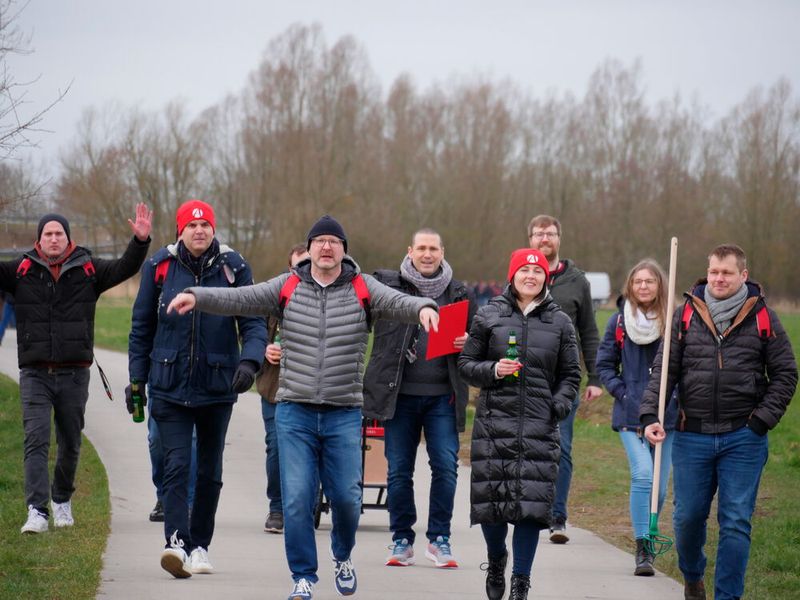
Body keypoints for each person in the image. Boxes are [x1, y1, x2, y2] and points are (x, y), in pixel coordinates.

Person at [165, 215, 440, 600]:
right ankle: (303, 577)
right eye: (319, 241)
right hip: (294, 411)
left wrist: (425, 307)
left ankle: (342, 556)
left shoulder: (363, 288)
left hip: (343, 412)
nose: (326, 247)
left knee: (347, 498)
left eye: (334, 241)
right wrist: (198, 296)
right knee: (296, 500)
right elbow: (241, 298)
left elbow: (399, 302)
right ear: (309, 249)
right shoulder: (288, 284)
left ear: (344, 250)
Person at [641, 244, 797, 600]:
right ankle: (693, 574)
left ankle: (728, 596)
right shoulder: (685, 316)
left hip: (743, 437)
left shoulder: (764, 318)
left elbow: (786, 374)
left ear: (743, 275)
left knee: (736, 523)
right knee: (687, 519)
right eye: (714, 272)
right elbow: (664, 373)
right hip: (691, 436)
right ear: (706, 273)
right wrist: (651, 414)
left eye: (726, 272)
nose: (719, 279)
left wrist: (761, 422)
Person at [127, 199, 267, 578]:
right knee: (176, 466)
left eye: (206, 225)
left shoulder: (233, 267)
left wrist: (249, 363)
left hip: (217, 385)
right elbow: (141, 327)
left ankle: (200, 545)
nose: (200, 231)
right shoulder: (159, 266)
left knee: (209, 472)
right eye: (192, 225)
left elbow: (253, 324)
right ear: (180, 230)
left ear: (214, 229)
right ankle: (176, 543)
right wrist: (136, 379)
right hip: (169, 384)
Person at [0, 205, 152, 534]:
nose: (53, 239)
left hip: (74, 373)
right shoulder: (21, 270)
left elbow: (125, 267)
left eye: (59, 233)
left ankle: (61, 500)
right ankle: (37, 511)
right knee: (36, 440)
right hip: (35, 373)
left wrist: (140, 241)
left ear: (68, 238)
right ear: (38, 239)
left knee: (70, 442)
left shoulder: (88, 269)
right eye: (47, 234)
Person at [458, 248, 581, 600]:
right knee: (492, 508)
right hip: (495, 424)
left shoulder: (560, 322)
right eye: (524, 270)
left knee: (530, 508)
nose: (531, 276)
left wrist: (558, 405)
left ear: (546, 278)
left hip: (540, 427)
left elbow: (571, 374)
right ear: (512, 276)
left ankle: (521, 582)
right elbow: (467, 363)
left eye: (537, 271)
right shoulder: (488, 315)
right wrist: (493, 370)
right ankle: (497, 559)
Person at [363, 228, 476, 568]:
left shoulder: (458, 293)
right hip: (399, 397)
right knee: (398, 471)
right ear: (409, 251)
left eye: (434, 249)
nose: (427, 254)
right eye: (421, 248)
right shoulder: (387, 289)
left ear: (443, 253)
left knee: (446, 467)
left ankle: (439, 539)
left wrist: (469, 342)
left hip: (443, 396)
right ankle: (401, 539)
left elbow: (479, 343)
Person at [595, 259, 677, 576]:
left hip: (666, 416)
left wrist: (674, 398)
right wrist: (625, 393)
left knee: (660, 488)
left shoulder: (675, 323)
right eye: (638, 281)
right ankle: (643, 548)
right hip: (630, 415)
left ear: (660, 286)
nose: (643, 286)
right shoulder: (619, 323)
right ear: (630, 286)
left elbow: (685, 368)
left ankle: (649, 529)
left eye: (650, 281)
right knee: (643, 475)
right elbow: (604, 365)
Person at [527, 214, 602, 543]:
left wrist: (596, 377)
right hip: (525, 378)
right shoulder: (522, 275)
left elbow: (589, 332)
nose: (545, 239)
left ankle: (557, 516)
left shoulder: (577, 281)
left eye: (551, 234)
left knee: (562, 448)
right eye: (539, 233)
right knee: (526, 447)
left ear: (560, 239)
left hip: (564, 380)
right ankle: (530, 509)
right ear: (530, 239)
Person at [256, 243, 310, 534]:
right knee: (276, 448)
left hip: (311, 388)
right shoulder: (273, 297)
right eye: (297, 266)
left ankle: (307, 506)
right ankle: (277, 508)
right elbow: (252, 334)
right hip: (274, 387)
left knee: (310, 450)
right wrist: (265, 349)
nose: (303, 271)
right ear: (289, 269)